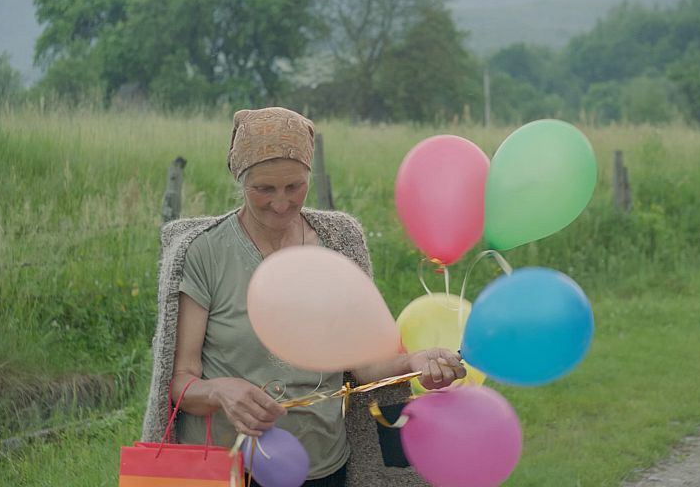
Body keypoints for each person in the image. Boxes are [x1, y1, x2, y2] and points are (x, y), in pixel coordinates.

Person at [142, 107, 466, 486]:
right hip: (225, 470)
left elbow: (363, 365)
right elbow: (180, 380)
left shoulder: (338, 243)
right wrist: (220, 392)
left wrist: (414, 361)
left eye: (294, 187)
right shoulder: (204, 253)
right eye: (264, 189)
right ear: (240, 180)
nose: (281, 203)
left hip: (322, 465)